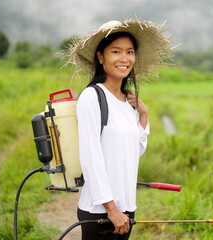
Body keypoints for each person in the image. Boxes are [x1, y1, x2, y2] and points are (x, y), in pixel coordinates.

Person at [66, 18, 173, 240]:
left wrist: (143, 115)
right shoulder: (92, 97)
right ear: (101, 57)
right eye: (116, 51)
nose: (124, 59)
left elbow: (133, 153)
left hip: (126, 208)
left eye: (130, 52)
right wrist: (111, 209)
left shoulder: (127, 102)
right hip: (100, 210)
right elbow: (91, 157)